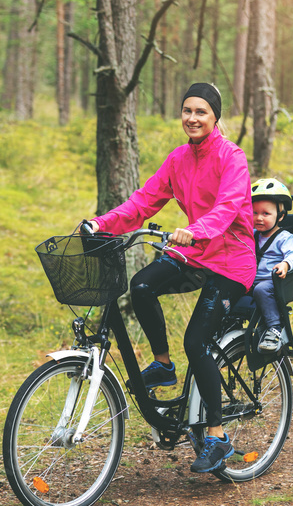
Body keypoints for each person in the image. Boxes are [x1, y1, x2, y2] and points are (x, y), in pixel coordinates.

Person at [85, 82, 255, 474]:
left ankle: (216, 436)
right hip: (196, 252)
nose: (192, 118)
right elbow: (143, 201)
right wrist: (101, 223)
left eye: (201, 112)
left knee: (196, 340)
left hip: (231, 259)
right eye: (187, 111)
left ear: (215, 118)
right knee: (141, 286)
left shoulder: (233, 157)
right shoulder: (178, 159)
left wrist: (195, 230)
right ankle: (162, 364)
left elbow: (228, 207)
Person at [248, 178, 293, 353]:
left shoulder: (284, 237)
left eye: (265, 214)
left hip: (272, 282)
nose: (259, 218)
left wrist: (285, 264)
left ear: (281, 216)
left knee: (261, 290)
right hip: (250, 280)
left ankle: (274, 328)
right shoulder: (252, 234)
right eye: (255, 213)